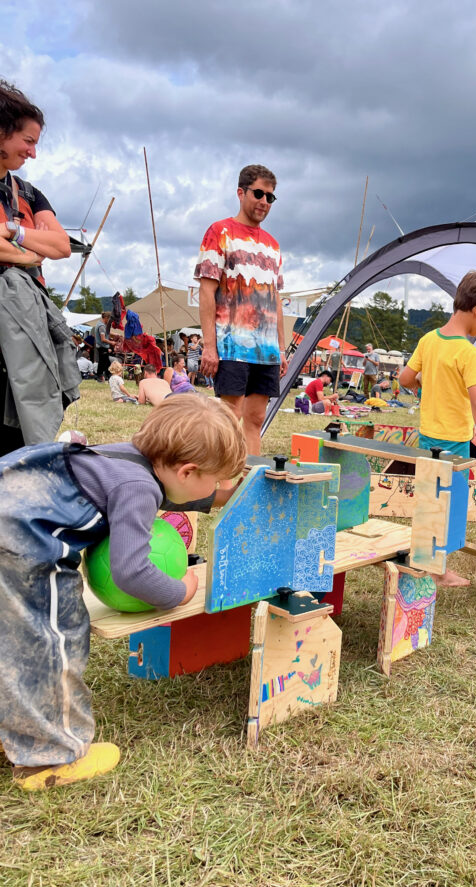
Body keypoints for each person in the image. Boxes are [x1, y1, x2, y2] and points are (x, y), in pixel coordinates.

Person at [0, 394, 247, 790]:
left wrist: (219, 495)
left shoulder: (124, 457)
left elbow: (165, 491)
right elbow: (132, 572)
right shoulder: (139, 488)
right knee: (52, 641)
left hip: (11, 509)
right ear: (187, 471)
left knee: (11, 640)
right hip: (22, 544)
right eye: (214, 479)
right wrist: (179, 591)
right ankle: (49, 756)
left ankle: (18, 729)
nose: (215, 487)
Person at [400, 268, 476, 586]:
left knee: (428, 503)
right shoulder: (468, 353)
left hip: (427, 438)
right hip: (456, 446)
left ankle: (423, 561)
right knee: (450, 508)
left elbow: (405, 379)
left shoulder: (429, 340)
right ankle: (439, 570)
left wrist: (424, 383)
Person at [0, 79, 77, 456]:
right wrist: (31, 247)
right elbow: (43, 247)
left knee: (22, 417)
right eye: (27, 141)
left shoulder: (28, 192)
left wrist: (11, 232)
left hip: (28, 318)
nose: (32, 152)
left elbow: (61, 245)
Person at [196, 163, 286, 455]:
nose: (263, 202)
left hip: (266, 348)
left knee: (256, 418)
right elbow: (207, 291)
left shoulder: (273, 245)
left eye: (270, 197)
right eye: (258, 194)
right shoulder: (219, 231)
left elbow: (276, 301)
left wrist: (281, 348)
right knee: (228, 417)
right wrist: (209, 346)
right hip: (232, 344)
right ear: (241, 192)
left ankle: (250, 483)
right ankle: (221, 483)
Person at [93, 312, 113, 381]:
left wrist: (115, 334)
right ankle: (100, 376)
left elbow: (106, 333)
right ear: (106, 318)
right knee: (103, 362)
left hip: (101, 346)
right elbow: (103, 339)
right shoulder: (101, 326)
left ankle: (107, 375)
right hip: (102, 347)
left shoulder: (100, 324)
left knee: (106, 362)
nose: (110, 321)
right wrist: (111, 342)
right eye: (110, 319)